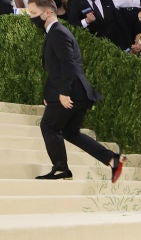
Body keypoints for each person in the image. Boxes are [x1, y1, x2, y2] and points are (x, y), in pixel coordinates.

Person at [27, 0, 126, 183]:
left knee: (48, 126)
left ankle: (60, 169)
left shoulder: (57, 33)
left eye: (33, 12)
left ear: (47, 12)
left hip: (70, 91)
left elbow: (68, 64)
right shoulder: (56, 33)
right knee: (70, 132)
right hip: (76, 91)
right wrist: (50, 94)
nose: (30, 16)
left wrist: (63, 93)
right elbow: (57, 69)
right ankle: (112, 159)